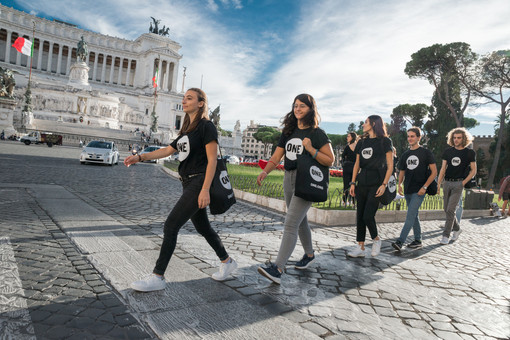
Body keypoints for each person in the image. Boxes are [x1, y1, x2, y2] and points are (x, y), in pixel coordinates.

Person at [124, 88, 237, 291]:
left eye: (189, 98)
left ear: (201, 103)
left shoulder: (206, 126)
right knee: (203, 227)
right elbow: (167, 151)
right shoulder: (187, 130)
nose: (184, 101)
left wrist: (204, 190)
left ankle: (158, 277)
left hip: (199, 182)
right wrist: (139, 157)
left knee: (171, 225)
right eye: (184, 98)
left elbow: (212, 161)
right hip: (187, 182)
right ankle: (227, 262)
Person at [256, 94, 334, 284]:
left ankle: (278, 268)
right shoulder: (289, 131)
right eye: (295, 106)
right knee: (300, 221)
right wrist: (265, 172)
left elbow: (330, 160)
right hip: (289, 178)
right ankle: (309, 254)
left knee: (290, 223)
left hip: (306, 179)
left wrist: (311, 149)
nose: (297, 109)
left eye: (302, 106)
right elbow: (277, 157)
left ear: (310, 109)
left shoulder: (317, 133)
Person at [347, 115, 393, 258]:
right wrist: (353, 182)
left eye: (365, 122)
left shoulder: (385, 141)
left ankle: (376, 239)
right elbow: (357, 164)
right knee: (360, 215)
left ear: (373, 124)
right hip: (362, 182)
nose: (363, 125)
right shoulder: (362, 142)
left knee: (368, 215)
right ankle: (360, 247)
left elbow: (390, 165)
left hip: (377, 182)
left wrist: (384, 185)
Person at [392, 127, 437, 251]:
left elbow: (434, 172)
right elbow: (402, 170)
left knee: (410, 215)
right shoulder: (406, 154)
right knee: (414, 215)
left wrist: (425, 187)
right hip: (408, 189)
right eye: (408, 136)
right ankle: (418, 240)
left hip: (420, 190)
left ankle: (400, 242)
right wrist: (399, 184)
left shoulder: (426, 153)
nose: (410, 138)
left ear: (418, 137)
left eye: (412, 136)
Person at [437, 127, 476, 245]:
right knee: (446, 209)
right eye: (454, 138)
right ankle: (457, 229)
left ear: (464, 139)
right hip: (447, 183)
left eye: (459, 138)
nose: (456, 140)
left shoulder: (469, 153)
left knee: (450, 209)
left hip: (458, 184)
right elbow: (443, 169)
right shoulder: (447, 152)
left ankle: (445, 235)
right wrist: (438, 183)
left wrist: (463, 183)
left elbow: (473, 170)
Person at [341, 132, 358, 206]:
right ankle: (353, 202)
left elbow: (343, 156)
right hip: (355, 167)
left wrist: (344, 163)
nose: (347, 138)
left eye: (348, 136)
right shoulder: (358, 147)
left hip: (347, 167)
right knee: (353, 184)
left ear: (352, 137)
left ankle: (345, 201)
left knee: (346, 184)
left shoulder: (348, 147)